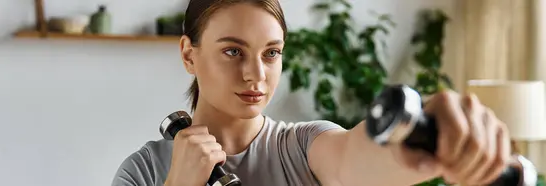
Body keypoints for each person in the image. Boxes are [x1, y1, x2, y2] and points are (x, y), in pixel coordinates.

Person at [111, 0, 512, 185]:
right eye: (233, 51)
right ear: (189, 54)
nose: (256, 74)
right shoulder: (142, 172)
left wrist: (426, 139)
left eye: (271, 53)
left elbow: (356, 156)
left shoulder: (303, 146)